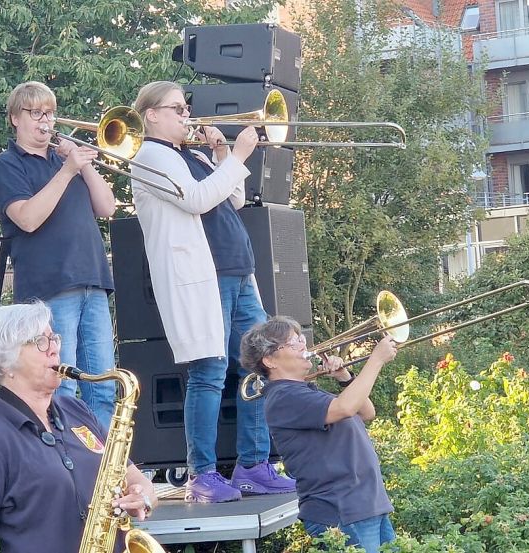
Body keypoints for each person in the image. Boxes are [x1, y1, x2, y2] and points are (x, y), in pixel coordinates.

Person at [129, 80, 295, 503]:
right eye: (177, 109)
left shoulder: (194, 154)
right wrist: (238, 155)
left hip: (238, 271)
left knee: (260, 367)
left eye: (186, 108)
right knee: (208, 373)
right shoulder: (149, 155)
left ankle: (253, 465)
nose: (187, 116)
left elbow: (233, 198)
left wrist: (222, 155)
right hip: (203, 277)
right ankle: (201, 473)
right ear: (151, 114)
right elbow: (197, 200)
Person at [0, 302, 157, 553]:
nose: (53, 348)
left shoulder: (77, 410)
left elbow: (132, 474)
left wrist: (143, 495)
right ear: (4, 363)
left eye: (53, 338)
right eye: (39, 341)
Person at [0, 81, 115, 430]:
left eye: (49, 113)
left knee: (103, 388)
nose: (45, 121)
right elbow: (27, 218)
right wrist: (68, 170)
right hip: (51, 288)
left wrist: (84, 165)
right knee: (63, 385)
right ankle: (68, 470)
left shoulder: (65, 162)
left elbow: (107, 207)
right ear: (15, 118)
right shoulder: (6, 165)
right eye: (35, 114)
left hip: (92, 279)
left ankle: (103, 474)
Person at [239, 316, 399, 553]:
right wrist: (375, 360)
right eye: (294, 342)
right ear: (270, 360)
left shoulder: (303, 390)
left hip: (365, 505)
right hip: (341, 511)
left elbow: (366, 412)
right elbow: (344, 408)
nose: (304, 345)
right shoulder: (284, 397)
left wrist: (345, 377)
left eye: (301, 338)